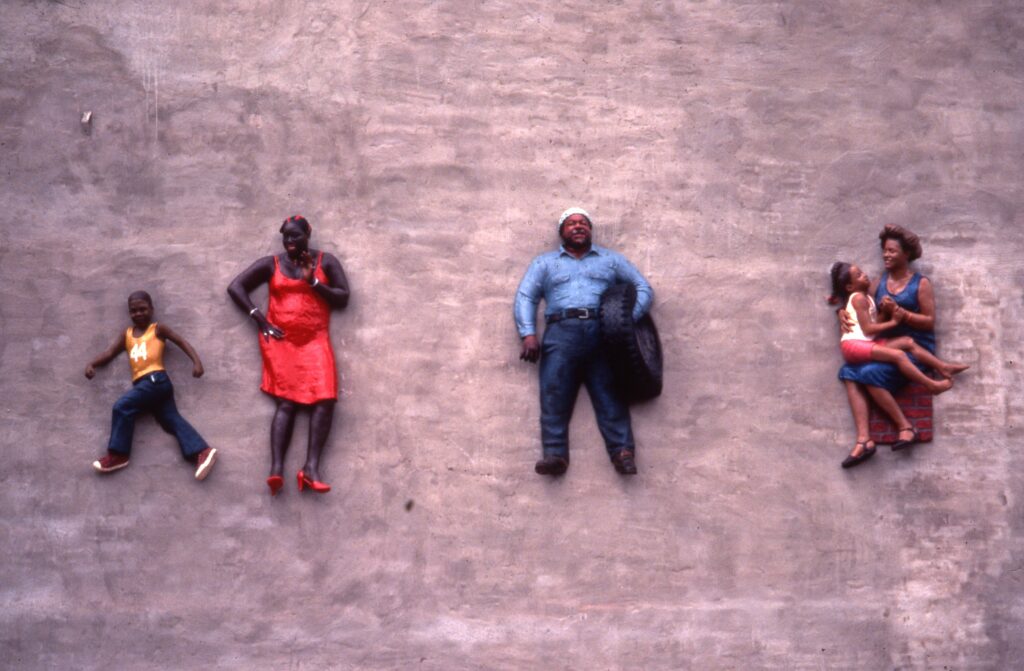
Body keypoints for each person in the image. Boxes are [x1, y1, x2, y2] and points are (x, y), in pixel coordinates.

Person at [514, 207, 653, 476]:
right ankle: (555, 455)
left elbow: (643, 288)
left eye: (583, 223)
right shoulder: (544, 264)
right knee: (554, 393)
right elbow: (526, 297)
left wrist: (624, 323)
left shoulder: (610, 261)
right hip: (560, 333)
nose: (578, 227)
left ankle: (623, 453)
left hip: (604, 334)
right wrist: (528, 333)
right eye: (571, 223)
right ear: (561, 232)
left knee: (610, 392)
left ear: (589, 230)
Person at [227, 215, 349, 495]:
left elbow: (343, 298)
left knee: (326, 398)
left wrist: (314, 283)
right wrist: (259, 318)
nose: (290, 242)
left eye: (295, 236)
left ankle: (311, 468)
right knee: (287, 403)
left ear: (308, 235)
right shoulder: (272, 263)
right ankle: (277, 470)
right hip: (280, 341)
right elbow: (236, 287)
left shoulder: (325, 262)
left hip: (315, 340)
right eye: (286, 237)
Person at [836, 224, 952, 466]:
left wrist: (900, 313)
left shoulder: (921, 284)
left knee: (868, 373)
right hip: (885, 343)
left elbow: (929, 321)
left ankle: (905, 428)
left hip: (915, 346)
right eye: (884, 251)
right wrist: (841, 312)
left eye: (891, 251)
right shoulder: (878, 283)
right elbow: (856, 298)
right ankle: (864, 439)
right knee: (848, 372)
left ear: (906, 254)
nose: (886, 255)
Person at [84, 291, 217, 479]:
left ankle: (119, 454)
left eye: (143, 309)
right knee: (170, 419)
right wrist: (92, 364)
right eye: (134, 311)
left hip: (155, 380)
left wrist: (197, 362)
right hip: (145, 386)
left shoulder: (158, 329)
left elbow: (181, 342)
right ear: (129, 313)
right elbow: (110, 352)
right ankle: (201, 451)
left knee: (122, 406)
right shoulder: (127, 334)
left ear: (152, 309)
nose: (138, 314)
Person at [829, 261, 966, 392]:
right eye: (859, 275)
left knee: (908, 342)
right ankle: (931, 385)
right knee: (898, 356)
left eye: (892, 251)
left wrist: (884, 311)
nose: (864, 274)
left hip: (867, 342)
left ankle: (943, 367)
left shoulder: (869, 296)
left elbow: (868, 318)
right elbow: (867, 327)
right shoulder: (863, 294)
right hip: (856, 345)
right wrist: (894, 321)